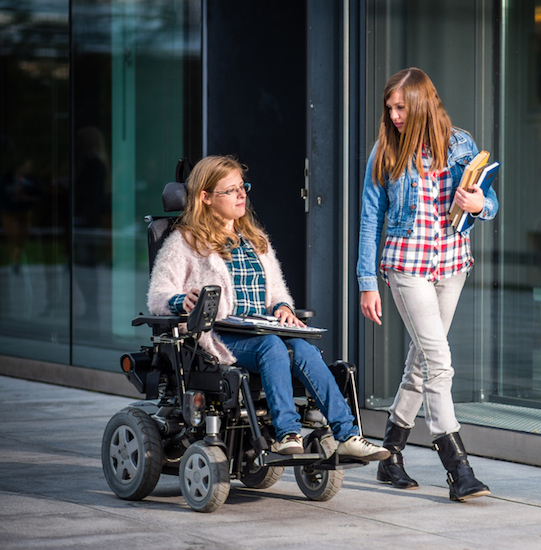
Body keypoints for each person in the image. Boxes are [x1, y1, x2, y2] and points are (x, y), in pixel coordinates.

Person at [148, 155, 390, 460]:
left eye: (242, 187)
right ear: (206, 198)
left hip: (260, 328)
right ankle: (286, 433)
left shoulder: (254, 239)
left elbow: (277, 292)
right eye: (230, 190)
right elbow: (158, 295)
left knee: (303, 351)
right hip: (217, 337)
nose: (241, 195)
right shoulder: (184, 242)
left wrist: (284, 307)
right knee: (272, 346)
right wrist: (180, 301)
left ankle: (348, 434)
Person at [358, 68, 498, 501]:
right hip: (407, 267)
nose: (394, 115)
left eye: (401, 107)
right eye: (390, 108)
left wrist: (479, 205)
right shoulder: (386, 151)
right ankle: (457, 466)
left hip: (452, 264)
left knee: (421, 364)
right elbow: (370, 218)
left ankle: (391, 453)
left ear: (421, 103)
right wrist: (367, 281)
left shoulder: (461, 144)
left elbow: (488, 200)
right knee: (439, 360)